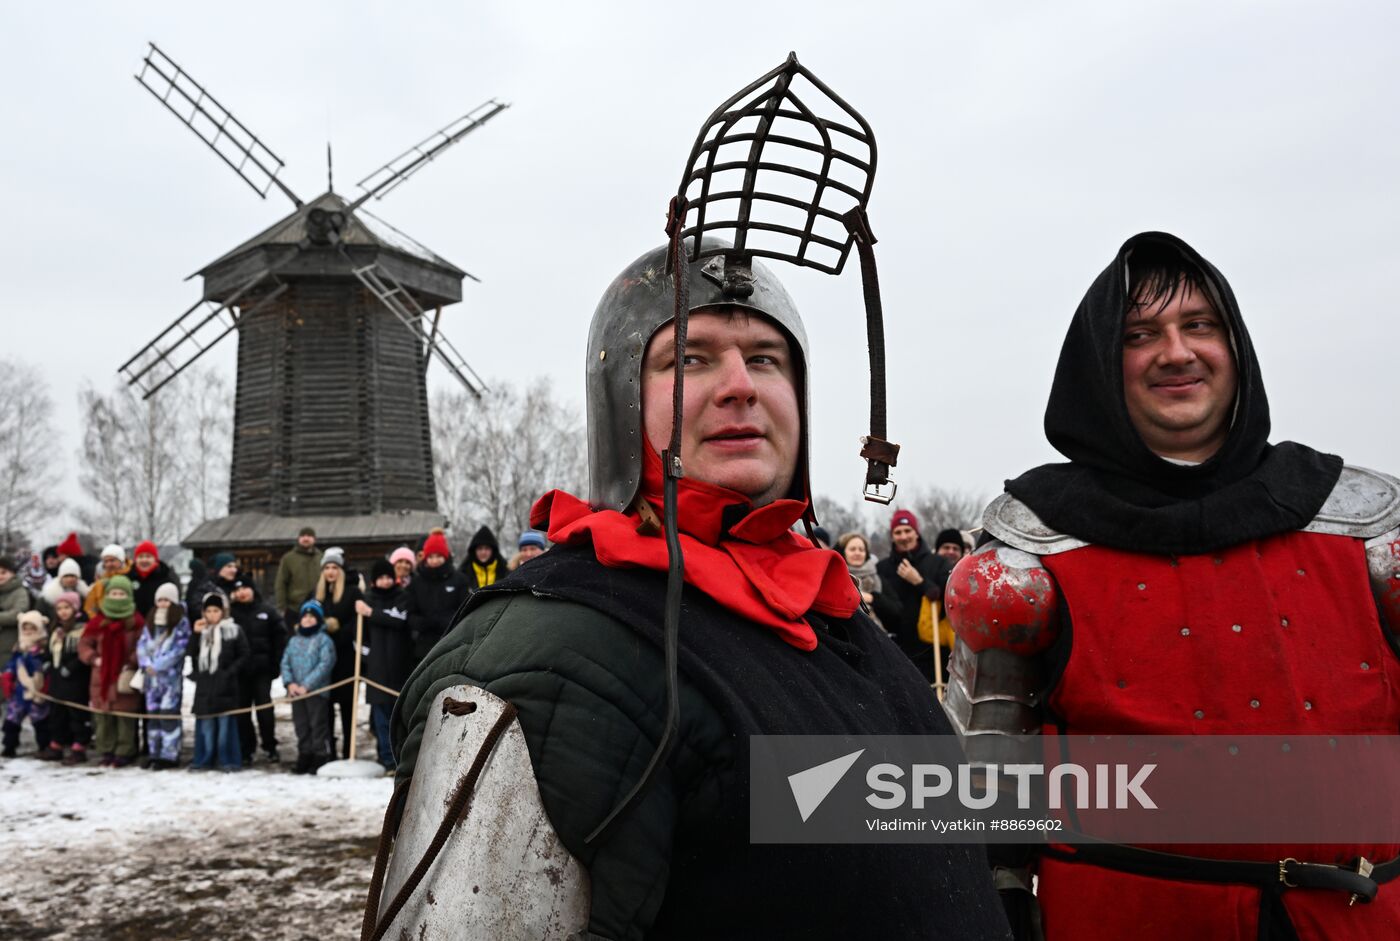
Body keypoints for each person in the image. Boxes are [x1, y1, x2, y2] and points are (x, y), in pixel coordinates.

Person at [383, 242, 1010, 939]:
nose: (740, 383)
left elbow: (855, 809)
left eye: (766, 358)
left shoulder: (829, 613)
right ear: (623, 402)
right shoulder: (550, 653)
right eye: (690, 358)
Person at [944, 232, 1400, 940]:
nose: (1177, 352)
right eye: (1140, 334)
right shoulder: (1029, 557)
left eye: (1199, 325)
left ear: (1234, 345)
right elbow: (986, 789)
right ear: (1100, 363)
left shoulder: (1368, 530)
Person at [874, 508, 955, 681]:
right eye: (898, 532)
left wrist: (919, 582)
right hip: (896, 648)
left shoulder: (938, 563)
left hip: (932, 650)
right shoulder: (883, 568)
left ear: (916, 532)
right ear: (892, 536)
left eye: (907, 531)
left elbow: (947, 598)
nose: (903, 536)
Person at [78, 574, 143, 767]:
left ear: (128, 596)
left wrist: (132, 662)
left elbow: (142, 646)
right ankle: (106, 749)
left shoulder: (135, 621)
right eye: (113, 593)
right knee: (103, 716)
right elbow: (84, 643)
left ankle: (125, 750)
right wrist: (93, 658)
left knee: (125, 716)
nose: (117, 596)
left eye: (121, 593)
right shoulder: (98, 621)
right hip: (101, 675)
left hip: (124, 675)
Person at [356, 558, 410, 772]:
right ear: (374, 581)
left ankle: (401, 757)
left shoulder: (402, 598)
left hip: (398, 664)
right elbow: (360, 637)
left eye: (388, 577)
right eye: (381, 578)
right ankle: (385, 757)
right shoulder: (367, 599)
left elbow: (399, 621)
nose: (385, 581)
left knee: (399, 715)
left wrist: (371, 613)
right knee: (380, 717)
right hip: (377, 668)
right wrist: (368, 655)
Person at [229, 574, 285, 764]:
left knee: (265, 711)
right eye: (237, 590)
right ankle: (247, 749)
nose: (241, 593)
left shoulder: (267, 611)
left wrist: (275, 665)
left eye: (244, 588)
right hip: (240, 672)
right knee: (241, 712)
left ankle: (270, 746)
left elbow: (280, 638)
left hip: (262, 671)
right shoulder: (230, 614)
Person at [190, 592, 248, 772]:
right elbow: (192, 654)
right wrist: (195, 634)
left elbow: (244, 654)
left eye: (216, 610)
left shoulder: (234, 630)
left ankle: (227, 760)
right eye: (209, 611)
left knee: (225, 728)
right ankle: (204, 759)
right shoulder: (201, 632)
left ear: (223, 612)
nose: (212, 614)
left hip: (226, 686)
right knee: (206, 728)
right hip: (205, 687)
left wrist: (229, 672)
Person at [314, 547, 362, 760]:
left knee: (346, 708)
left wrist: (339, 629)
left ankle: (347, 751)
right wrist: (324, 627)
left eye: (334, 567)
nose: (330, 571)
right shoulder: (316, 594)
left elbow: (357, 623)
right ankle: (329, 751)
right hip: (323, 659)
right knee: (325, 709)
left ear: (340, 569)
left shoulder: (352, 592)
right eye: (327, 567)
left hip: (345, 658)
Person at [135, 583, 190, 770]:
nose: (163, 603)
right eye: (160, 600)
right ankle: (154, 751)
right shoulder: (150, 622)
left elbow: (179, 649)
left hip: (170, 679)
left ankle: (170, 753)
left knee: (168, 716)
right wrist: (146, 664)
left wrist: (158, 665)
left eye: (167, 600)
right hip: (152, 680)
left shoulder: (180, 622)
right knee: (153, 716)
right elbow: (142, 645)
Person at [281, 600, 336, 775]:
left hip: (316, 692)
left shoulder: (324, 640)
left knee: (317, 724)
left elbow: (325, 664)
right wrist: (290, 683)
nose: (308, 619)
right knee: (301, 725)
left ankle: (320, 756)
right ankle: (305, 754)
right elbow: (285, 663)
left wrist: (307, 685)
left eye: (312, 616)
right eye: (305, 616)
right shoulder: (294, 640)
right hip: (296, 692)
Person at [402, 530, 470, 665]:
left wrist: (447, 622)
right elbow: (410, 613)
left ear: (445, 557)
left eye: (438, 556)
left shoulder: (459, 580)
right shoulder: (416, 582)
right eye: (431, 556)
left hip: (452, 643)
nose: (434, 560)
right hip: (423, 646)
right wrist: (424, 623)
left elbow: (465, 610)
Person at [43, 591, 91, 764]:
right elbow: (49, 651)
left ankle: (79, 746)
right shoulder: (56, 630)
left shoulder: (81, 629)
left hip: (75, 681)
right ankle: (57, 743)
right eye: (59, 608)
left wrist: (71, 668)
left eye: (66, 608)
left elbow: (82, 654)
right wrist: (47, 663)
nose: (63, 612)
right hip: (57, 680)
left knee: (76, 714)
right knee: (57, 714)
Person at [2, 611, 51, 757]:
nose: (28, 631)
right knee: (12, 721)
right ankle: (9, 746)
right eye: (25, 628)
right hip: (19, 691)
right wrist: (8, 674)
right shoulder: (19, 648)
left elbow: (44, 668)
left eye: (32, 628)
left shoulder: (42, 649)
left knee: (40, 721)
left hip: (37, 690)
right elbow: (13, 663)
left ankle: (44, 746)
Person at [837, 531, 888, 632]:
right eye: (852, 549)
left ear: (866, 553)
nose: (857, 553)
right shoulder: (836, 577)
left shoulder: (877, 577)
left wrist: (874, 598)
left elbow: (894, 611)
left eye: (861, 549)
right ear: (844, 552)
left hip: (878, 632)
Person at [275, 527, 323, 630]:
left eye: (309, 536)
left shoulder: (321, 557)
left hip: (318, 606)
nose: (306, 538)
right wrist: (282, 607)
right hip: (294, 608)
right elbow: (281, 583)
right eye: (303, 536)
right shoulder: (289, 558)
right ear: (299, 538)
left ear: (314, 539)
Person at [83, 544, 132, 619]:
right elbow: (90, 607)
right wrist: (97, 621)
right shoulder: (100, 583)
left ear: (121, 560)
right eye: (106, 561)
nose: (109, 564)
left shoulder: (132, 576)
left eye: (112, 560)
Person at [129, 541, 175, 616]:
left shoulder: (165, 579)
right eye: (140, 556)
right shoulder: (128, 578)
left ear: (155, 559)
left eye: (148, 556)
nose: (144, 560)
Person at [459, 527, 504, 592]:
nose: (483, 552)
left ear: (493, 550)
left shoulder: (505, 573)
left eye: (487, 548)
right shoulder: (462, 575)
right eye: (480, 548)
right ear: (474, 551)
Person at [0, 555, 29, 654]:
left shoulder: (20, 592)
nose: (0, 576)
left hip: (11, 643)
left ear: (12, 573)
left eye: (4, 572)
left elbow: (18, 613)